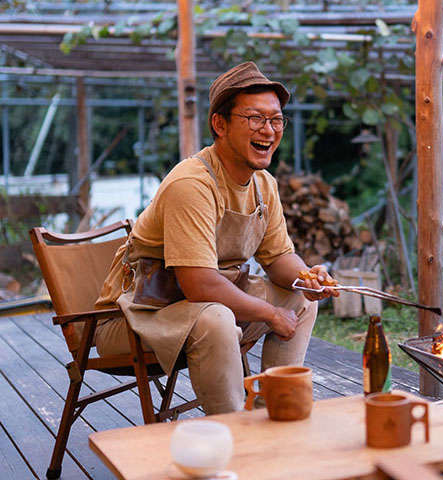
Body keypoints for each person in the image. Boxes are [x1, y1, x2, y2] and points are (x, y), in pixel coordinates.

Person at [93, 62, 338, 415]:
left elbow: (279, 257)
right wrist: (269, 313)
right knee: (218, 318)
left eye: (276, 119)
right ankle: (233, 432)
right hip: (138, 315)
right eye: (255, 118)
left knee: (301, 301)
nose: (268, 130)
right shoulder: (191, 184)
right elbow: (200, 285)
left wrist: (307, 278)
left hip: (201, 305)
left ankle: (276, 408)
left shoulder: (263, 184)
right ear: (219, 124)